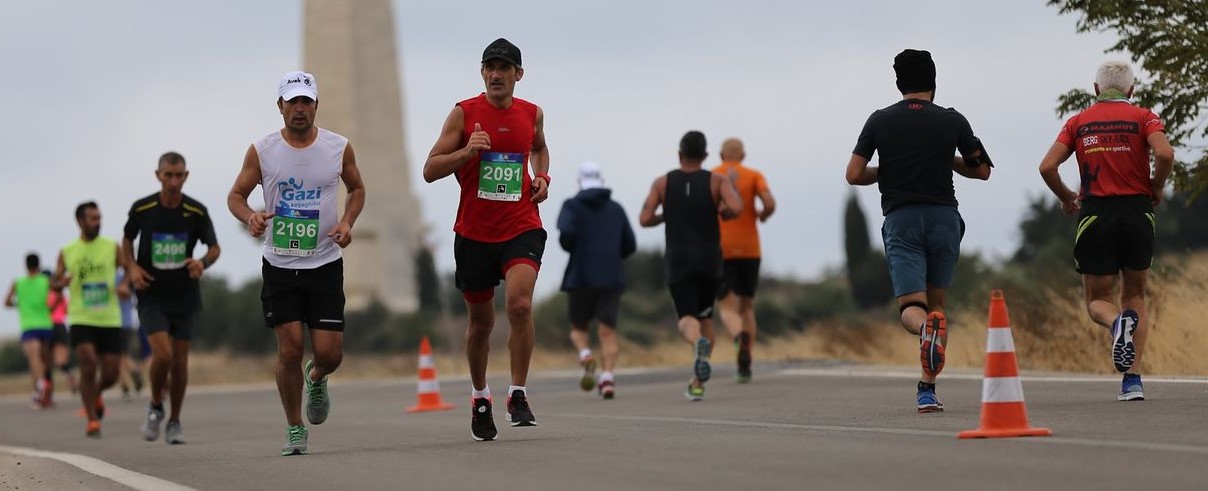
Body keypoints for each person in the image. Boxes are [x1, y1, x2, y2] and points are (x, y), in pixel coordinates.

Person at [845, 49, 993, 413]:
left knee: (913, 308)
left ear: (899, 84)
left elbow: (853, 174)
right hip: (944, 217)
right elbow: (983, 170)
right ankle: (927, 388)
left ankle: (926, 348)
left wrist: (888, 169)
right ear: (934, 83)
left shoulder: (880, 120)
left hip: (903, 219)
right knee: (938, 307)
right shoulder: (952, 120)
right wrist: (947, 160)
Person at [228, 71, 365, 456]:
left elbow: (357, 188)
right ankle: (294, 427)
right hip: (280, 264)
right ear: (280, 107)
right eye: (293, 102)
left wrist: (346, 222)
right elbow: (236, 195)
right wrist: (250, 216)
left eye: (306, 101)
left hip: (323, 263)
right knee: (288, 349)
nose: (300, 109)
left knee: (329, 353)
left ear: (316, 106)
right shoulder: (263, 150)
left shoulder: (338, 147)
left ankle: (317, 378)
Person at [422, 38, 550, 441]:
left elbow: (540, 150)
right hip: (475, 233)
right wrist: (467, 153)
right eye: (489, 67)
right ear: (482, 73)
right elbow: (429, 169)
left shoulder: (532, 113)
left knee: (520, 304)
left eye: (504, 67)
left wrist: (543, 177)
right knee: (480, 324)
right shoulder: (464, 114)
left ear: (518, 75)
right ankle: (480, 396)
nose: (496, 74)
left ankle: (518, 393)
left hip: (521, 224)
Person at [1038, 60, 1174, 401]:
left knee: (1098, 299)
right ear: (1131, 90)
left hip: (1096, 213)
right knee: (1135, 297)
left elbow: (1047, 166)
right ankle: (1132, 383)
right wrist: (1156, 186)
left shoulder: (1078, 122)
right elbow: (1166, 154)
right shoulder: (1144, 117)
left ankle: (1116, 325)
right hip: (1137, 213)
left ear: (1096, 89)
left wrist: (1068, 197)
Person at [124, 151, 221, 444]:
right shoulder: (143, 208)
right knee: (162, 355)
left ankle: (175, 421)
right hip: (152, 294)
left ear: (186, 176)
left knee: (179, 362)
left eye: (179, 175)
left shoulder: (196, 211)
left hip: (184, 295)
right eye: (169, 175)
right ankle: (155, 405)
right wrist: (131, 267)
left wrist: (201, 263)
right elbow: (127, 240)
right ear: (158, 175)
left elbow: (214, 248)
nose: (174, 181)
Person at [639, 131, 742, 401]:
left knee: (687, 317)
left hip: (678, 258)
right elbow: (736, 207)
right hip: (710, 259)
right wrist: (722, 211)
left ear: (679, 154)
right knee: (706, 317)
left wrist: (666, 215)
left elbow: (645, 218)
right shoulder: (716, 180)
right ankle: (697, 382)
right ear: (706, 156)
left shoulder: (663, 183)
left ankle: (697, 345)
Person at [556, 162, 636, 399]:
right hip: (610, 275)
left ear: (580, 181)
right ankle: (608, 378)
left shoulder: (571, 206)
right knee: (607, 331)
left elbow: (565, 236)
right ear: (601, 180)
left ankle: (585, 354)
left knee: (578, 328)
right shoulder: (616, 209)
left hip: (580, 275)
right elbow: (630, 244)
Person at [53, 201, 129, 437]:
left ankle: (95, 393)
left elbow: (128, 269)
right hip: (80, 316)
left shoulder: (111, 246)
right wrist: (60, 283)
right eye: (93, 218)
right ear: (80, 222)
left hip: (109, 317)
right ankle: (92, 419)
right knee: (87, 364)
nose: (98, 222)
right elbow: (54, 283)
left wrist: (125, 285)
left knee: (111, 374)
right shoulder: (68, 251)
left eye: (99, 218)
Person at [712, 138, 776, 383]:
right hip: (750, 249)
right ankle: (746, 361)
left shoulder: (712, 176)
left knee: (727, 305)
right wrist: (763, 215)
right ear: (744, 155)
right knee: (746, 305)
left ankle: (739, 337)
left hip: (721, 249)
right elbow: (769, 201)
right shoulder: (754, 175)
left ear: (720, 155)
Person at [5, 253, 55, 408]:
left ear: (25, 265)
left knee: (34, 360)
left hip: (29, 325)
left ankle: (40, 386)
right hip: (46, 324)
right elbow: (54, 298)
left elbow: (6, 302)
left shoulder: (18, 282)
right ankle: (40, 393)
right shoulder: (46, 281)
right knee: (44, 361)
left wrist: (20, 305)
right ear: (39, 265)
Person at [115, 267, 144, 402]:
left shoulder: (116, 277)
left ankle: (127, 388)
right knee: (123, 356)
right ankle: (133, 371)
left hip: (117, 322)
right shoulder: (129, 278)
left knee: (119, 358)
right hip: (128, 322)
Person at [47, 279, 76, 394]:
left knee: (47, 362)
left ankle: (48, 391)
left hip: (49, 326)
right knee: (61, 362)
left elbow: (46, 310)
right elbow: (67, 312)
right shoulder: (63, 297)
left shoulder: (47, 295)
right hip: (61, 327)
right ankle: (70, 375)